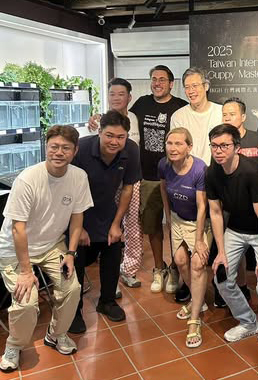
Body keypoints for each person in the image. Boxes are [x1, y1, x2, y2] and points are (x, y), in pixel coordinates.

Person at [0, 125, 93, 372]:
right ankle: (14, 345)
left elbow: (77, 218)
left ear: (75, 151)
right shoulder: (28, 179)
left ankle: (56, 333)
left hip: (52, 244)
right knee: (26, 302)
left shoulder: (79, 177)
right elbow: (17, 229)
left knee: (72, 288)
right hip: (16, 249)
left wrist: (71, 254)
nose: (59, 152)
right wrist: (25, 271)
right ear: (46, 147)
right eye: (54, 147)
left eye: (66, 148)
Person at [206, 123, 258, 370]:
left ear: (237, 147)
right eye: (214, 146)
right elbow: (216, 212)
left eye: (224, 146)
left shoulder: (251, 170)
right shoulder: (212, 173)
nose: (218, 151)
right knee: (221, 276)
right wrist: (221, 252)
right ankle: (249, 322)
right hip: (236, 228)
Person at [69, 110, 141, 333]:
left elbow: (127, 187)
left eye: (120, 137)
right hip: (78, 213)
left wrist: (117, 223)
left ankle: (107, 301)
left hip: (107, 210)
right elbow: (68, 190)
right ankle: (73, 311)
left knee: (112, 253)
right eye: (109, 135)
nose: (114, 142)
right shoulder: (81, 149)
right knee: (77, 263)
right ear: (99, 132)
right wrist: (78, 227)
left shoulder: (131, 150)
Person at [131, 65, 187, 294]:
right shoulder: (141, 104)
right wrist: (98, 119)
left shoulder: (181, 107)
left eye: (162, 79)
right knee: (152, 225)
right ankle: (158, 268)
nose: (157, 83)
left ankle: (175, 268)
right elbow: (124, 119)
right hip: (148, 176)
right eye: (154, 79)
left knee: (175, 225)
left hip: (176, 175)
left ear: (171, 84)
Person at [170, 67, 222, 303]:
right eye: (187, 87)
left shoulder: (220, 112)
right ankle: (187, 282)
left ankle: (220, 282)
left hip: (217, 180)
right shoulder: (179, 116)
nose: (191, 91)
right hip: (188, 181)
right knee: (187, 235)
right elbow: (176, 148)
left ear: (206, 86)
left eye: (195, 86)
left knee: (219, 234)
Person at [222, 97, 258, 305]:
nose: (227, 118)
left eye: (232, 114)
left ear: (243, 116)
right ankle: (242, 288)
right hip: (235, 214)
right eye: (224, 115)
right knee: (232, 263)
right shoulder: (222, 144)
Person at [89, 78, 143, 294]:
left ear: (129, 97)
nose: (116, 98)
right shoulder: (99, 120)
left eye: (121, 94)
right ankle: (109, 275)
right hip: (107, 178)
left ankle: (128, 269)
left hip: (130, 177)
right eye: (112, 94)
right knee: (109, 222)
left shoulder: (135, 118)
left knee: (132, 223)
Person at [159, 127, 211, 348]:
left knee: (198, 264)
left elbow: (202, 207)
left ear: (189, 147)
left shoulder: (200, 169)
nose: (173, 148)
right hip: (176, 219)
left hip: (198, 222)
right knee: (180, 261)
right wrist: (168, 218)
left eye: (179, 143)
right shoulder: (163, 165)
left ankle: (194, 319)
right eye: (169, 143)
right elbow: (164, 190)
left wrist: (199, 239)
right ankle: (197, 300)